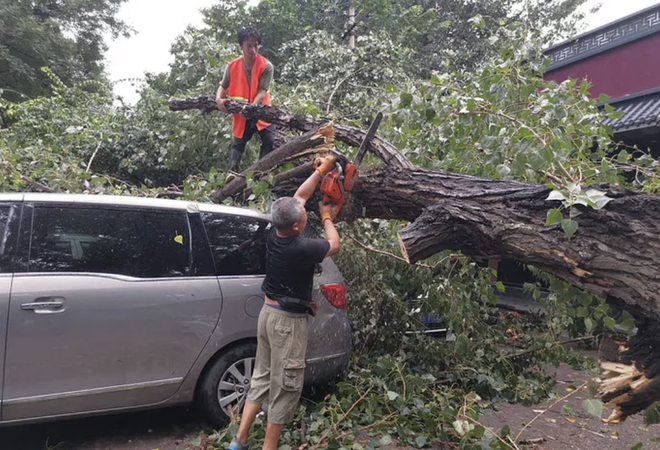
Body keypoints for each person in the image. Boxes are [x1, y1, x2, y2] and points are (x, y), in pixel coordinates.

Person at [226, 154, 341, 450]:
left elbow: (299, 197)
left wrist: (320, 171)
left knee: (261, 377)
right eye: (303, 218)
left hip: (268, 315)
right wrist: (327, 217)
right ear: (297, 228)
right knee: (285, 388)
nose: (304, 215)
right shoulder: (300, 246)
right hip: (286, 325)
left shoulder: (275, 231)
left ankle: (239, 441)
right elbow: (335, 245)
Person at [216, 27, 276, 173]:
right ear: (241, 46)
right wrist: (218, 99)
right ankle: (231, 175)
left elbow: (262, 91)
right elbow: (223, 87)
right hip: (241, 114)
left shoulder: (266, 66)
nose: (253, 50)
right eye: (249, 46)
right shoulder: (232, 67)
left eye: (256, 45)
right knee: (238, 144)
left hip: (262, 111)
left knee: (269, 142)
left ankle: (261, 174)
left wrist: (252, 107)